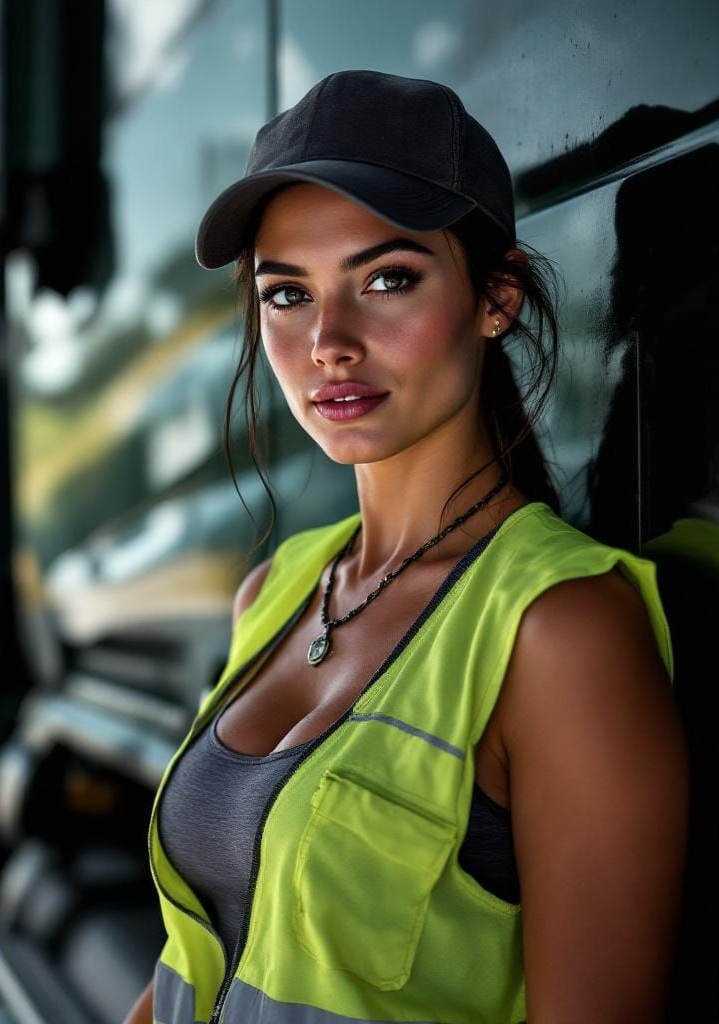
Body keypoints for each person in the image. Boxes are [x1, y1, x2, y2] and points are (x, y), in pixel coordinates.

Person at [124, 70, 688, 1024]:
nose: (329, 343)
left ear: (496, 297)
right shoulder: (275, 589)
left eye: (386, 279)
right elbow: (193, 967)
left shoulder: (560, 632)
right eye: (287, 294)